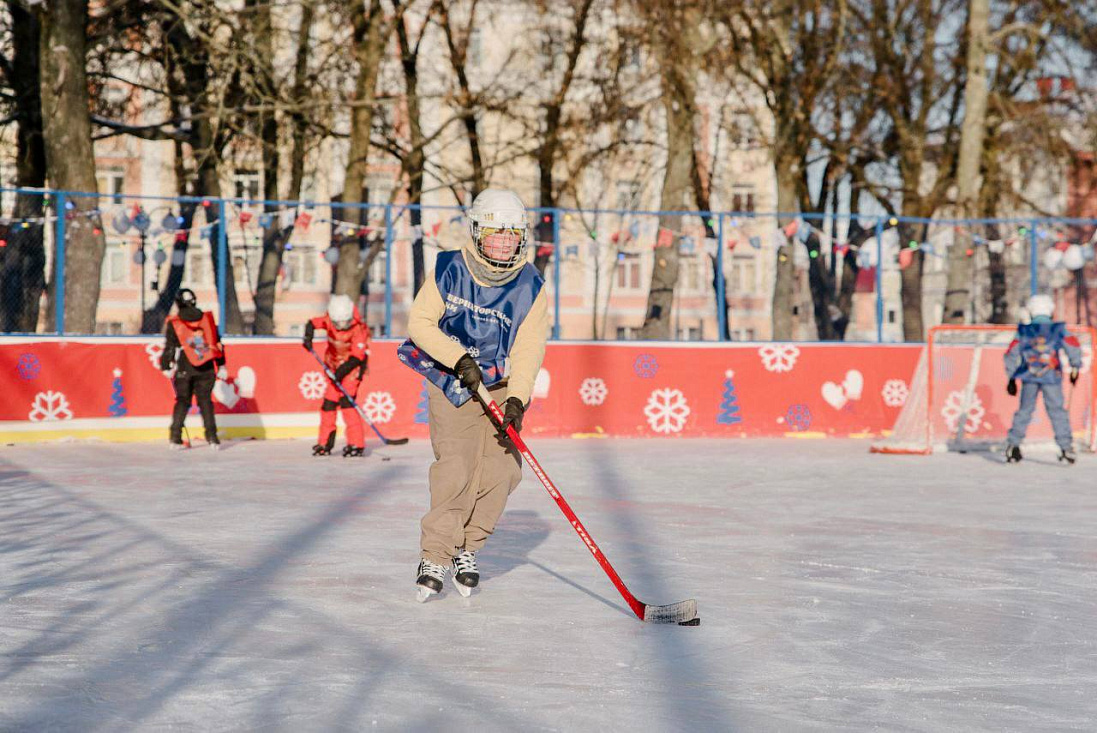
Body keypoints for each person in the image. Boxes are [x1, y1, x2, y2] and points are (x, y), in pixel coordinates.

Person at [397, 188, 549, 602]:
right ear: (478, 233)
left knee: (504, 469)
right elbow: (420, 323)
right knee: (458, 466)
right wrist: (459, 358)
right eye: (496, 234)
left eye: (512, 235)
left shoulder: (531, 285)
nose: (504, 243)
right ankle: (436, 554)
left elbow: (529, 347)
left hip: (498, 383)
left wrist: (517, 399)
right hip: (452, 378)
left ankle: (468, 546)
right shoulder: (450, 268)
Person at [1004, 293, 1083, 464]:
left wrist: (1011, 377)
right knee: (1057, 411)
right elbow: (1073, 345)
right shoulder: (1058, 329)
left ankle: (1013, 445)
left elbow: (1011, 352)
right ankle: (1066, 448)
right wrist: (1075, 367)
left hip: (1028, 376)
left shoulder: (1024, 331)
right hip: (1052, 376)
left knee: (1025, 411)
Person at [303, 294, 371, 457]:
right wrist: (308, 337)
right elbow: (311, 323)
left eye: (344, 323)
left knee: (347, 403)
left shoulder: (359, 329)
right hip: (333, 366)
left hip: (351, 370)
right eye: (337, 323)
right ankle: (325, 442)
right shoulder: (328, 320)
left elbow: (357, 357)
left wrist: (339, 373)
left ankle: (356, 443)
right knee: (328, 404)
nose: (340, 327)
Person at [160, 288, 225, 449]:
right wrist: (221, 364)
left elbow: (170, 347)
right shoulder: (207, 319)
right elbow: (217, 343)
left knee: (182, 401)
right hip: (206, 366)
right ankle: (212, 438)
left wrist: (166, 365)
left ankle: (175, 437)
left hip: (185, 366)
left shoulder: (175, 323)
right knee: (205, 402)